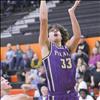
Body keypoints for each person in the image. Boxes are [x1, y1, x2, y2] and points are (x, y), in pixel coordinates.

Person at [39, 0, 81, 99]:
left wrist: (71, 13)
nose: (55, 30)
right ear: (47, 37)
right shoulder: (47, 48)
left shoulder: (68, 49)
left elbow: (77, 36)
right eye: (51, 31)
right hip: (56, 95)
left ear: (62, 37)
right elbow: (43, 21)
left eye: (57, 30)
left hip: (72, 94)